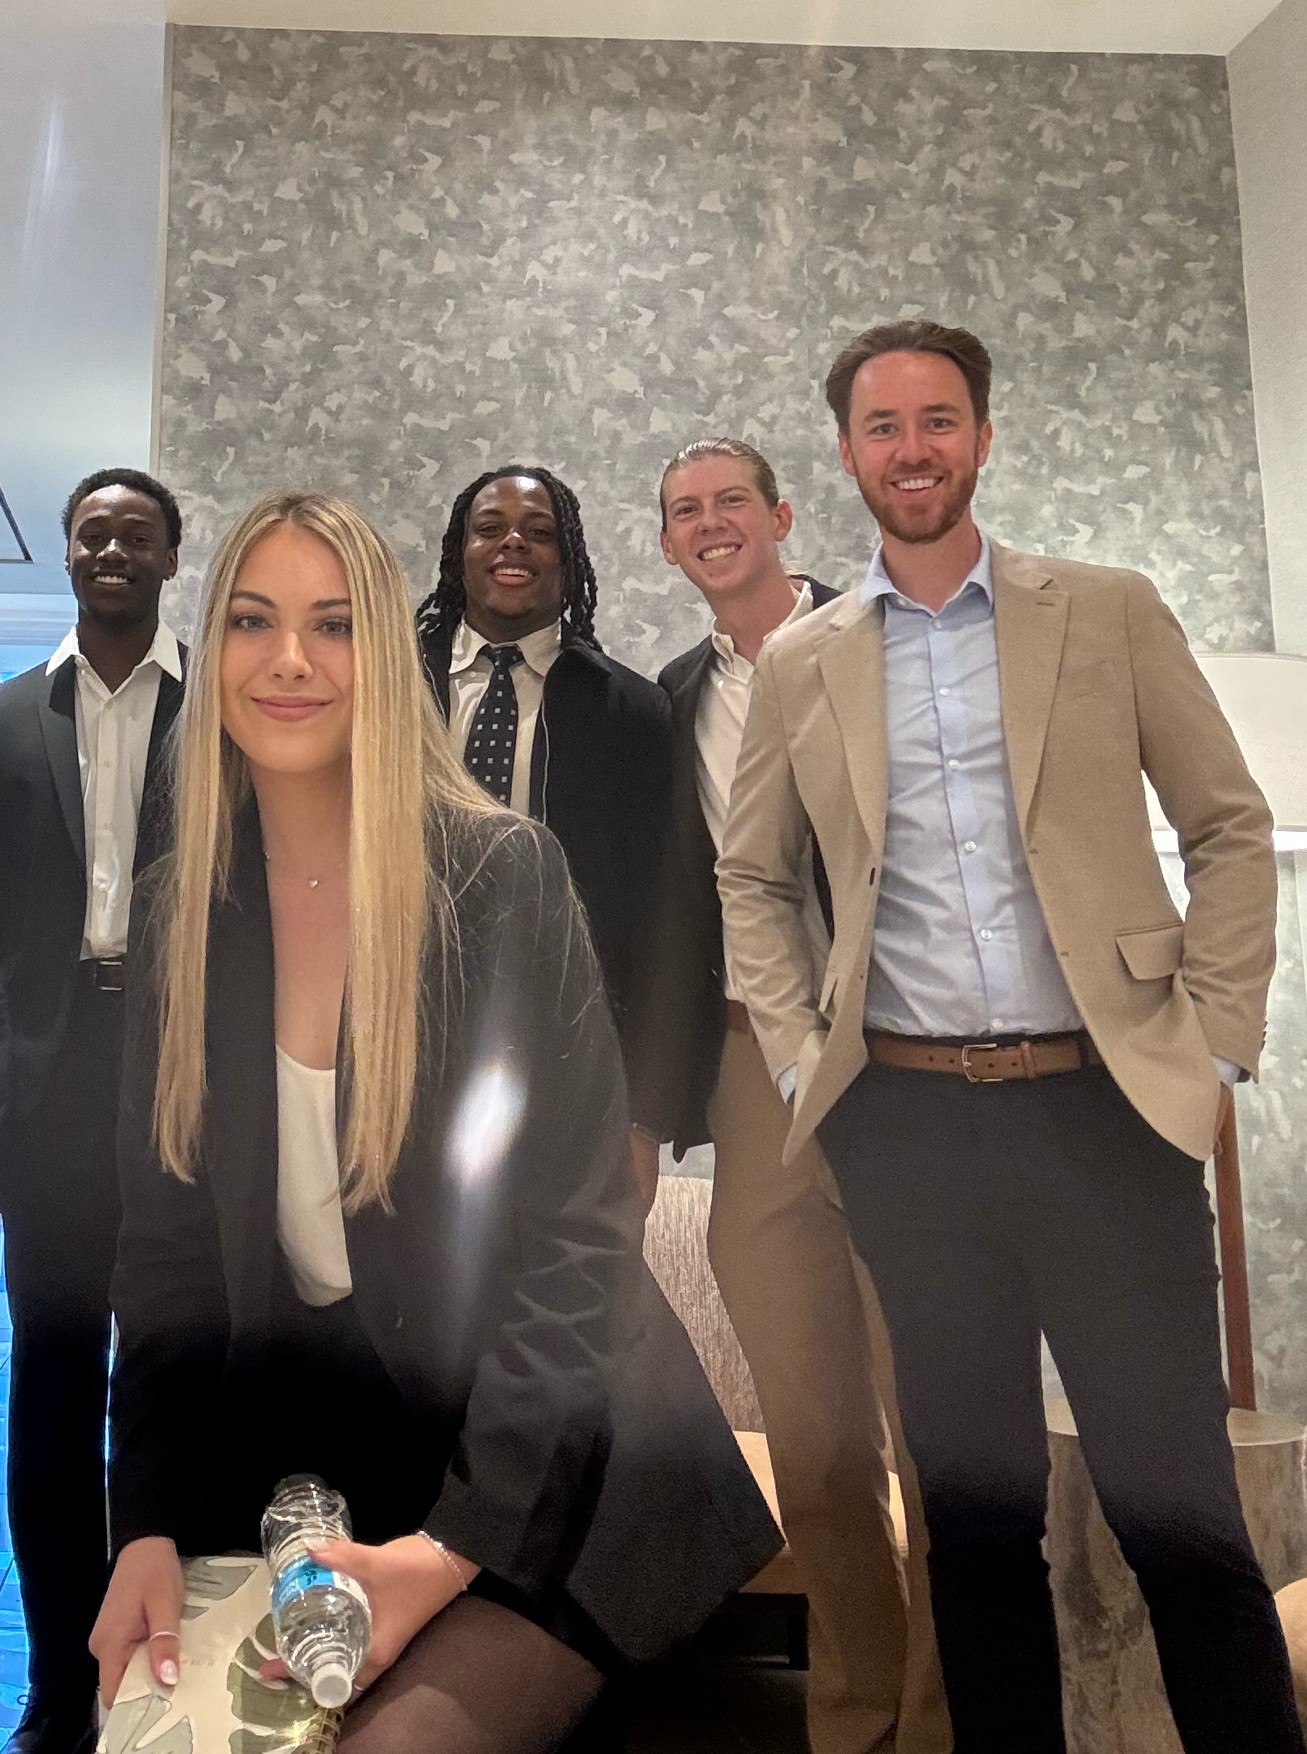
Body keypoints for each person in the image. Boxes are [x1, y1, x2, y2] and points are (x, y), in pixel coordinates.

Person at [92, 491, 780, 1754]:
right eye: (251, 621)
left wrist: (452, 1548)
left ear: (386, 658)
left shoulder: (501, 877)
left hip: (548, 1467)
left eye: (332, 625)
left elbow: (574, 1247)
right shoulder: (181, 910)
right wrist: (143, 1522)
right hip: (325, 1463)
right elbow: (167, 1259)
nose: (289, 660)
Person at [718, 319, 1303, 1754]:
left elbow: (1230, 831)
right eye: (881, 426)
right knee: (975, 1527)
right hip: (907, 1130)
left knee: (1176, 1518)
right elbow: (753, 877)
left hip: (1105, 1116)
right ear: (845, 453)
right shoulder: (802, 661)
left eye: (937, 420)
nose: (910, 449)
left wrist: (1213, 1049)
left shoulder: (1104, 610)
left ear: (980, 438)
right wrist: (800, 1062)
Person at [652, 437, 946, 1754]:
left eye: (731, 501)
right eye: (685, 512)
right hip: (747, 1074)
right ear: (667, 544)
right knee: (816, 1442)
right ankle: (856, 1715)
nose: (710, 524)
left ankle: (947, 1720)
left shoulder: (884, 638)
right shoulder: (668, 699)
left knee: (936, 1426)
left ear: (779, 515)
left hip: (903, 1060)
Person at [0, 468, 186, 1754]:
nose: (112, 549)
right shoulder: (2, 719)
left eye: (135, 534)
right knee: (51, 1377)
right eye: (93, 532)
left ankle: (160, 1678)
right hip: (48, 1089)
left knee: (171, 1371)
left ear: (169, 557)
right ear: (67, 553)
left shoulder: (218, 708)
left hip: (180, 1077)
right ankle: (59, 1679)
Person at [415, 464, 673, 1207]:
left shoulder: (630, 711)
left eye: (539, 531)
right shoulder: (386, 687)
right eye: (489, 529)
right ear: (459, 552)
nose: (513, 544)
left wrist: (644, 1116)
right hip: (397, 1031)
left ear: (570, 558)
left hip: (566, 1046)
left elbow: (658, 922)